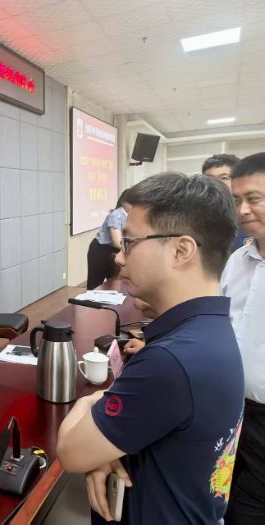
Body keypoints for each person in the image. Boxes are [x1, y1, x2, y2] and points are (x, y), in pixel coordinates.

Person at [56, 172, 244, 524]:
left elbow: (71, 452)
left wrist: (89, 401)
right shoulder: (210, 329)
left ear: (181, 250)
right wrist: (105, 451)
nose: (119, 258)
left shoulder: (172, 361)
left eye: (129, 242)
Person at [221, 153, 265, 524]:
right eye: (237, 200)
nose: (243, 210)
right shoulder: (237, 260)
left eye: (254, 198)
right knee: (227, 495)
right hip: (232, 408)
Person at [86, 190, 133, 290]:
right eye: (132, 203)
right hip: (101, 250)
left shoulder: (131, 216)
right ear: (124, 202)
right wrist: (134, 249)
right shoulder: (116, 215)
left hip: (115, 251)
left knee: (114, 283)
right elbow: (117, 242)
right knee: (95, 284)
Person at [202, 153, 249, 252]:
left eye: (224, 178)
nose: (216, 183)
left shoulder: (253, 215)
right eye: (209, 179)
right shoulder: (197, 219)